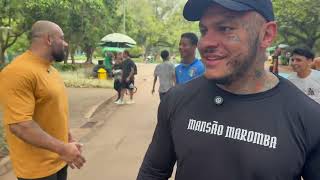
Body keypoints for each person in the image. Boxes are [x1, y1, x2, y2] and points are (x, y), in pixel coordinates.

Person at [137, 0, 320, 179]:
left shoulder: (308, 118)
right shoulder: (177, 99)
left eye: (225, 28)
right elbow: (153, 172)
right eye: (204, 30)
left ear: (266, 35)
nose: (204, 43)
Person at [0, 20, 85, 180]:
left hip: (59, 161)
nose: (66, 44)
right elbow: (20, 126)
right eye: (62, 38)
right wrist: (63, 148)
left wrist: (67, 137)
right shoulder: (17, 72)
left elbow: (52, 109)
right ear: (49, 39)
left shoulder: (50, 70)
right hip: (37, 171)